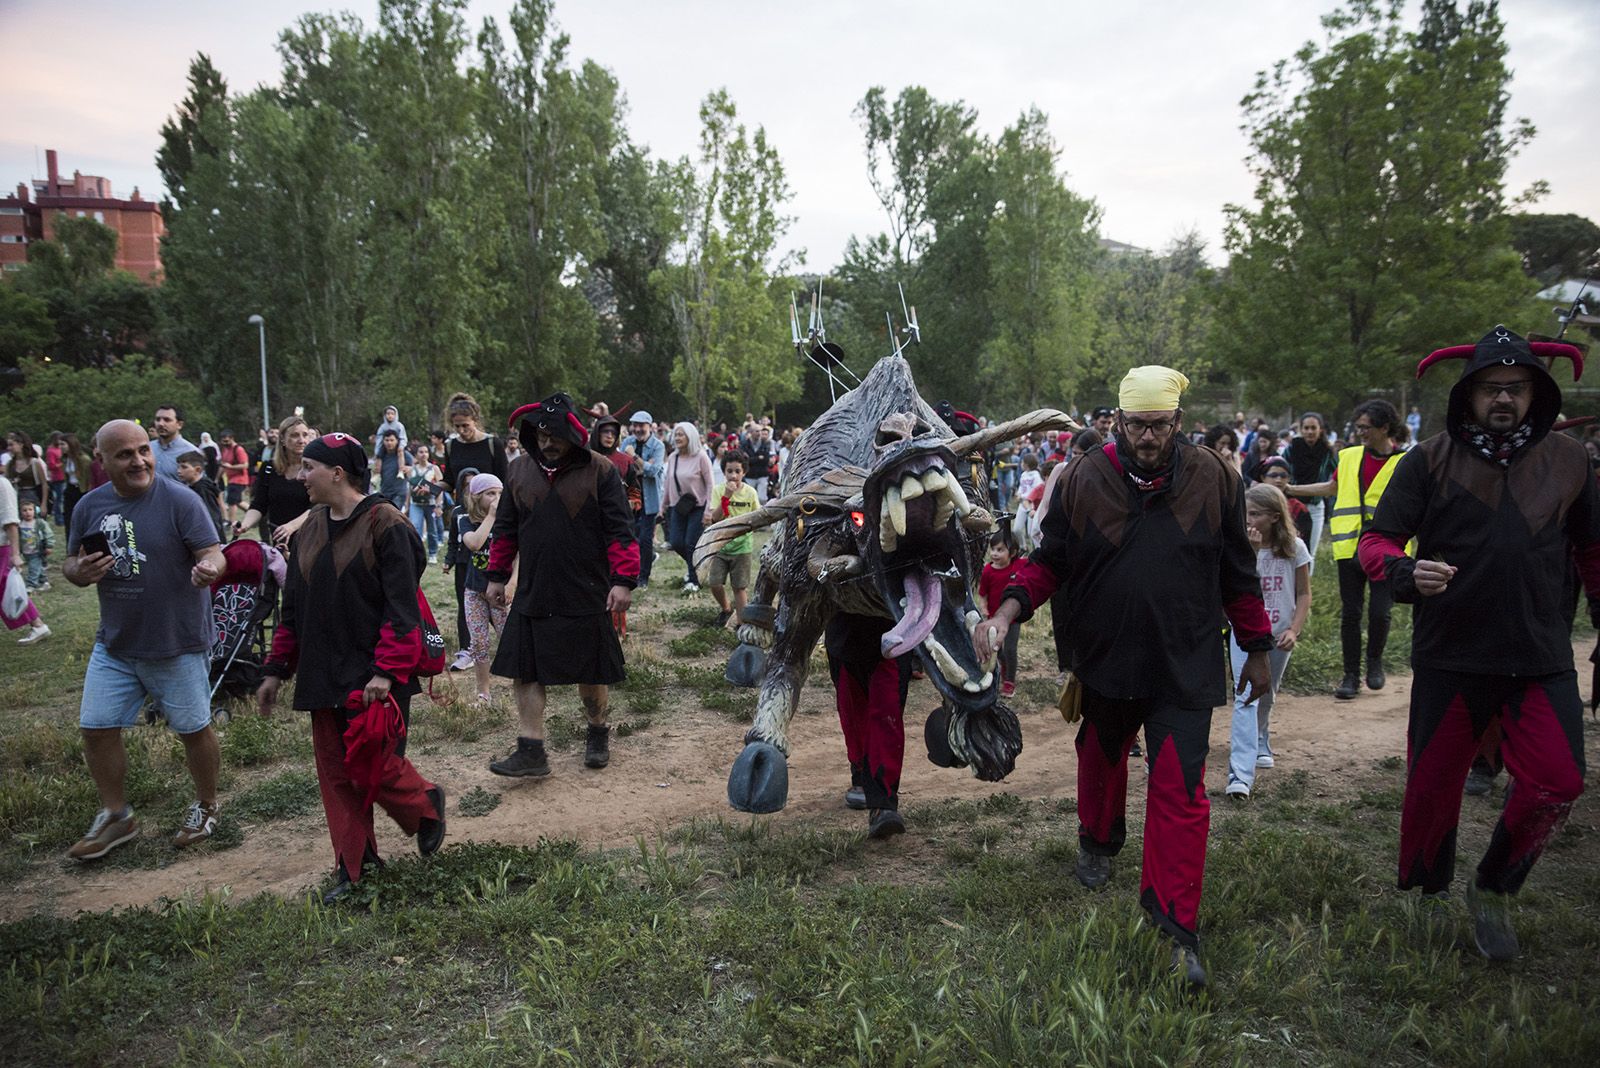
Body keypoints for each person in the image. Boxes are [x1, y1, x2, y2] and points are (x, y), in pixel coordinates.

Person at [976, 365, 1273, 988]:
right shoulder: (1084, 477)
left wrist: (1258, 646)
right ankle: (1097, 840)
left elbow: (1238, 573)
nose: (1145, 436)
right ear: (1116, 421)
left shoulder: (1215, 478)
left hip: (1184, 660)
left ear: (1177, 423)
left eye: (1157, 425)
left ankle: (1175, 930)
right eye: (1134, 424)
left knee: (1180, 790)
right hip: (1106, 657)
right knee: (1101, 754)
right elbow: (1048, 560)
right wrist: (1006, 611)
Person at [1359, 326, 1597, 962]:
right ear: (1466, 396)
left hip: (1540, 657)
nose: (1503, 399)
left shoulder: (1572, 462)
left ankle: (1493, 886)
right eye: (1491, 388)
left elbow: (1594, 551)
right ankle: (1427, 892)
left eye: (1516, 388)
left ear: (1535, 393)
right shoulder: (1428, 460)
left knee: (1558, 783)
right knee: (1432, 788)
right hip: (1451, 656)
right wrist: (1406, 572)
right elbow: (1375, 542)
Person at [257, 432, 445, 903]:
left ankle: (425, 807)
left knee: (373, 768)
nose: (300, 477)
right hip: (322, 672)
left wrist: (386, 671)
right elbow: (292, 610)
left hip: (374, 676)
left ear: (337, 473)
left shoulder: (389, 525)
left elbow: (403, 609)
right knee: (337, 776)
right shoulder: (308, 529)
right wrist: (277, 668)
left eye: (308, 468)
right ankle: (356, 870)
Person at [61, 419, 226, 860]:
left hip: (177, 641)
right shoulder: (88, 506)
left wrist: (209, 568)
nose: (139, 460)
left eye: (143, 451)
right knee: (96, 728)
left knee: (193, 729)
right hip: (116, 643)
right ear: (102, 460)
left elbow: (213, 552)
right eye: (125, 454)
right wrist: (79, 572)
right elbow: (70, 563)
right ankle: (117, 816)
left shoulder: (180, 500)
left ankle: (207, 804)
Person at [485, 394, 638, 778]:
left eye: (554, 435)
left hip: (585, 587)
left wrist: (623, 581)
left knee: (591, 675)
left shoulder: (600, 471)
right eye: (539, 434)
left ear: (572, 436)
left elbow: (621, 530)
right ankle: (531, 750)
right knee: (527, 671)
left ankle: (598, 730)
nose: (547, 441)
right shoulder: (518, 470)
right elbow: (505, 529)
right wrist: (497, 575)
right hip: (534, 587)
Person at [1289, 399, 1405, 699]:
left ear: (1384, 428)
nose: (1360, 433)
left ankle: (1374, 663)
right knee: (1350, 614)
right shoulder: (1350, 456)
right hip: (1349, 547)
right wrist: (1289, 489)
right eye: (1358, 427)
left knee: (1380, 613)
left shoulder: (1404, 462)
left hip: (1387, 549)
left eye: (1366, 428)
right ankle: (1350, 675)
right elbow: (1330, 488)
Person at [1225, 484, 1311, 799]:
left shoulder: (1295, 548)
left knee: (1268, 693)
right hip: (1246, 632)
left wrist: (1294, 630)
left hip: (1279, 633)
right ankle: (1240, 776)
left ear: (1275, 517)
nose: (1248, 519)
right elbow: (1236, 587)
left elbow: (1303, 594)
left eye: (1255, 514)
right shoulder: (1240, 546)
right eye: (1246, 513)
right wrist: (1250, 550)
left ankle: (1261, 735)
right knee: (1246, 695)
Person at [827, 611, 913, 838]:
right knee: (852, 713)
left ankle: (882, 804)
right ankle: (861, 773)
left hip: (893, 635)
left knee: (887, 713)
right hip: (844, 635)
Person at [458, 473, 508, 703]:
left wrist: (513, 586)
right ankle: (484, 693)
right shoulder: (465, 520)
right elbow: (475, 543)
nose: (497, 498)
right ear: (476, 497)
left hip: (502, 592)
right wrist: (490, 517)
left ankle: (525, 682)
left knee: (510, 638)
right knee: (478, 643)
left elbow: (519, 556)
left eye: (500, 493)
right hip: (475, 591)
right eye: (490, 493)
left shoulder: (508, 521)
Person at [234, 415, 315, 549]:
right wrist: (244, 525)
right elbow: (259, 504)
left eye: (305, 435)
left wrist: (292, 526)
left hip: (311, 539)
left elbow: (319, 507)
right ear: (282, 439)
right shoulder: (268, 468)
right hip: (281, 541)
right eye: (295, 435)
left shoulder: (317, 468)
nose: (302, 440)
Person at [703, 450, 759, 628]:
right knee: (715, 583)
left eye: (737, 471)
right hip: (721, 546)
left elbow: (757, 516)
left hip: (742, 548)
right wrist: (726, 496)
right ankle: (726, 609)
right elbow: (715, 518)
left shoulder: (750, 493)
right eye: (729, 471)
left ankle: (742, 623)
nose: (733, 475)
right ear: (724, 472)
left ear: (744, 473)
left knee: (739, 587)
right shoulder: (718, 490)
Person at [662, 421, 714, 592]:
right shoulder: (673, 457)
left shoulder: (701, 457)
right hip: (678, 507)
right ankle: (699, 565)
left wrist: (708, 509)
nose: (677, 438)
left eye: (681, 434)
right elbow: (668, 482)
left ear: (690, 436)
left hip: (698, 507)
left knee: (690, 543)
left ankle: (694, 580)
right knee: (676, 542)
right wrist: (663, 505)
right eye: (676, 434)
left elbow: (710, 484)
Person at [977, 527, 1026, 697]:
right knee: (998, 650)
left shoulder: (1019, 565)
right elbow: (982, 594)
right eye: (993, 549)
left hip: (1013, 618)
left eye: (1000, 550)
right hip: (993, 619)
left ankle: (1009, 682)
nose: (995, 553)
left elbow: (1033, 565)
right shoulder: (987, 571)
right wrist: (983, 609)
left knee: (1010, 649)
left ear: (1012, 553)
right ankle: (1001, 672)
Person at [1, 474, 50, 643]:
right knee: (4, 587)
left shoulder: (2, 484)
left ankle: (38, 625)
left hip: (1, 546)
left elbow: (10, 521)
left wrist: (15, 554)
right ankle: (38, 625)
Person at [621, 411, 664, 592]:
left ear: (649, 426)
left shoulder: (658, 446)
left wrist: (635, 459)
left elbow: (653, 471)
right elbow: (623, 467)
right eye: (635, 425)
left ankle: (643, 576)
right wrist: (640, 465)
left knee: (646, 539)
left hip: (650, 497)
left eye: (641, 425)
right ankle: (631, 571)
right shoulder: (627, 442)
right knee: (632, 536)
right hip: (630, 496)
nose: (638, 429)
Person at [1283, 412, 1336, 559]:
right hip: (1291, 505)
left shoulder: (1327, 451)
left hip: (1315, 506)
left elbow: (1338, 473)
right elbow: (1280, 468)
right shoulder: (1292, 448)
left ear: (1321, 429)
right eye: (1306, 428)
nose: (1310, 432)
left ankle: (1306, 581)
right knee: (1289, 548)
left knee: (1308, 553)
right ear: (1301, 429)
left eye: (1313, 428)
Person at [439, 392, 507, 489]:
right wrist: (431, 487)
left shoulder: (493, 444)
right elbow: (449, 481)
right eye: (457, 426)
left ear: (475, 420)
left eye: (465, 425)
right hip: (462, 502)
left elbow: (504, 479)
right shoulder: (451, 446)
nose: (461, 431)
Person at [175, 450, 227, 542]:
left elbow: (211, 516)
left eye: (184, 467)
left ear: (197, 470)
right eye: (178, 467)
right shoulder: (193, 486)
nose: (179, 471)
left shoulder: (203, 489)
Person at [405, 443, 444, 562]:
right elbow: (409, 489)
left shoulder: (434, 468)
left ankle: (432, 553)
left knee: (432, 530)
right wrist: (407, 506)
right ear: (416, 455)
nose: (423, 455)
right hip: (415, 503)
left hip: (431, 503)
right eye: (421, 452)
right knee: (415, 528)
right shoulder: (412, 470)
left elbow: (440, 488)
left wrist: (438, 506)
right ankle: (416, 553)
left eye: (426, 452)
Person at [150, 405, 198, 482]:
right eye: (158, 419)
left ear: (179, 425)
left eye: (167, 420)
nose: (160, 424)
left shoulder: (191, 452)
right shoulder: (147, 448)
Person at [6, 431, 49, 510]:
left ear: (21, 445)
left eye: (11, 445)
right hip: (16, 498)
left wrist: (44, 504)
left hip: (33, 498)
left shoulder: (34, 463)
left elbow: (44, 484)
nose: (9, 448)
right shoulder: (10, 464)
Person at [18, 498, 54, 591]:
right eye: (24, 510)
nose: (28, 512)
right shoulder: (20, 524)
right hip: (26, 551)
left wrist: (49, 545)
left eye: (30, 510)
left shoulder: (39, 523)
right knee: (38, 566)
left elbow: (48, 534)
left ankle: (31, 585)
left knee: (33, 567)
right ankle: (44, 582)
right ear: (20, 512)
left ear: (35, 511)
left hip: (37, 550)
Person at [216, 430, 251, 526]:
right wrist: (217, 478)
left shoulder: (239, 449)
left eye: (227, 441)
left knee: (232, 501)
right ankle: (254, 513)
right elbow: (223, 465)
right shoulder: (225, 450)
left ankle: (232, 523)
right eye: (223, 441)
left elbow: (245, 465)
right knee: (238, 501)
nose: (225, 443)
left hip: (239, 479)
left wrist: (231, 467)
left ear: (232, 438)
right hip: (230, 478)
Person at [375, 430, 410, 511]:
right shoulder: (381, 456)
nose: (389, 443)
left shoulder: (404, 454)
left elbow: (415, 466)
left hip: (399, 492)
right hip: (384, 491)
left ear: (397, 441)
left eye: (392, 440)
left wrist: (408, 468)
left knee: (394, 514)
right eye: (387, 440)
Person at [45, 432, 66, 525]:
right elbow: (51, 465)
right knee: (58, 499)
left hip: (64, 476)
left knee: (62, 499)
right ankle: (59, 519)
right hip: (57, 477)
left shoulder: (60, 449)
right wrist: (62, 463)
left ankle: (63, 517)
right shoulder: (51, 451)